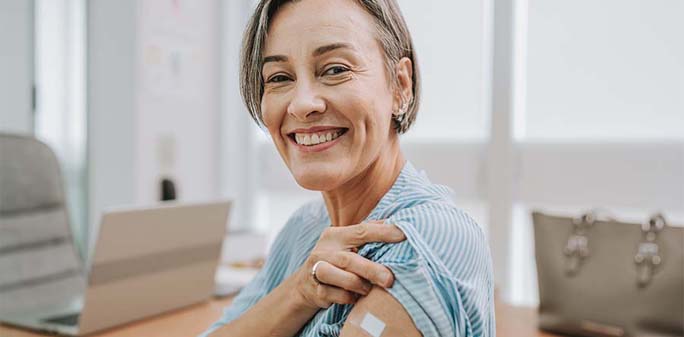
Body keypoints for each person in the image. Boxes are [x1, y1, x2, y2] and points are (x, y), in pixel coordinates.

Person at [201, 0, 494, 336]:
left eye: (335, 69)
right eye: (280, 77)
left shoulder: (424, 241)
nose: (302, 104)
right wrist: (297, 293)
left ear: (401, 86)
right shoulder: (305, 228)